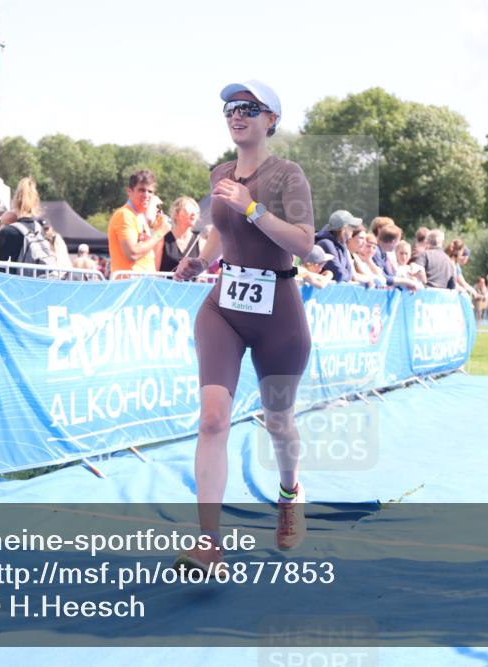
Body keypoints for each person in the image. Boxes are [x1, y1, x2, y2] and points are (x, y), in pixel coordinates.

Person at [173, 80, 314, 568]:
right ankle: (209, 542)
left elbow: (303, 243)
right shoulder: (219, 174)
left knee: (278, 422)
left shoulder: (288, 175)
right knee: (212, 418)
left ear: (271, 120)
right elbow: (218, 233)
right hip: (224, 308)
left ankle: (290, 493)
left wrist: (252, 209)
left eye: (250, 108)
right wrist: (200, 261)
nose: (237, 115)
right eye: (232, 108)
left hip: (279, 310)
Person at [107, 169, 171, 277]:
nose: (146, 195)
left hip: (143, 286)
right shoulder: (124, 215)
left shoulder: (140, 216)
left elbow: (148, 253)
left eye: (150, 191)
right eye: (141, 190)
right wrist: (160, 232)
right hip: (130, 287)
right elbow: (132, 254)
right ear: (129, 191)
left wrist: (157, 232)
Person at [156, 196, 204, 273]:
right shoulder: (162, 239)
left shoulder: (200, 242)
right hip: (166, 284)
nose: (193, 214)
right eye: (188, 210)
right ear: (176, 214)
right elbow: (155, 271)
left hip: (191, 285)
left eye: (196, 211)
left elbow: (203, 274)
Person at [314, 209, 361, 283]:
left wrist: (348, 275)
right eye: (352, 226)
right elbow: (339, 274)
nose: (353, 230)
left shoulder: (343, 245)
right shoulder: (325, 244)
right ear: (343, 228)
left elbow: (350, 273)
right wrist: (348, 276)